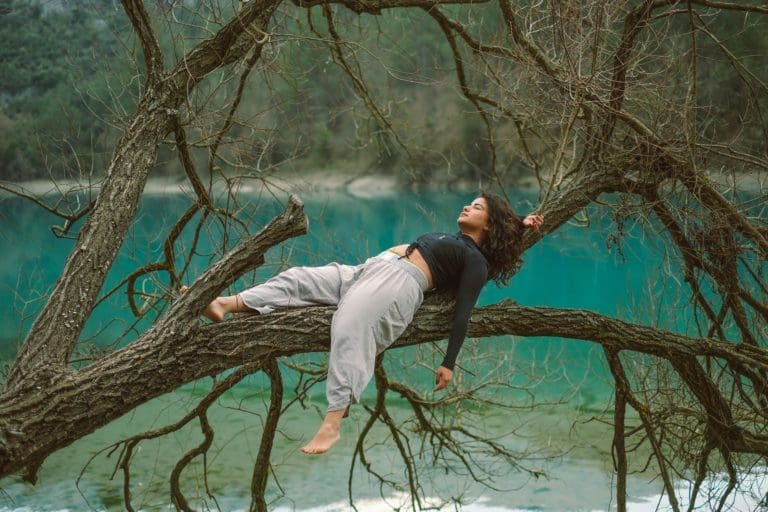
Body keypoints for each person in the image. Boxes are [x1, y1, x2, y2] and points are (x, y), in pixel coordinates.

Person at [189, 192, 543, 455]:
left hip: (398, 284)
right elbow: (509, 225)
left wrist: (448, 363)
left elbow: (463, 313)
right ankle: (224, 304)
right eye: (470, 202)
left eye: (477, 207)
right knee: (299, 279)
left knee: (350, 327)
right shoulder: (455, 239)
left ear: (489, 224)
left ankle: (332, 421)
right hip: (370, 269)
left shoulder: (475, 261)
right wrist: (522, 221)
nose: (467, 206)